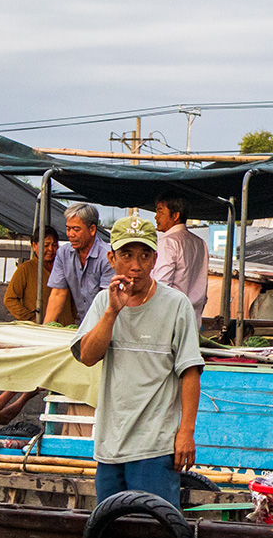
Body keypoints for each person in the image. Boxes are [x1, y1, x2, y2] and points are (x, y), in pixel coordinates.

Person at [73, 215, 205, 508]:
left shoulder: (176, 304)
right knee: (111, 531)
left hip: (155, 447)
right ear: (111, 258)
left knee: (156, 531)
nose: (136, 265)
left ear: (155, 259)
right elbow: (87, 356)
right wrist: (112, 312)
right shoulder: (102, 304)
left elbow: (190, 371)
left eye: (145, 255)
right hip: (110, 445)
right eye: (127, 255)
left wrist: (186, 432)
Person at [43, 203, 113, 324]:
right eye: (68, 229)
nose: (70, 234)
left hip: (108, 324)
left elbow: (107, 300)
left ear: (92, 230)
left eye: (76, 229)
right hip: (83, 322)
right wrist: (45, 329)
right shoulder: (63, 254)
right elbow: (58, 294)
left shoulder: (108, 256)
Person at [153, 193, 209, 328]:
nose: (156, 217)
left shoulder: (168, 241)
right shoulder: (200, 243)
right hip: (193, 318)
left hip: (170, 319)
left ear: (175, 216)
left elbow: (161, 284)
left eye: (160, 212)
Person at [3, 226, 77, 325]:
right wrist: (31, 318)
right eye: (46, 245)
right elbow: (10, 299)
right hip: (38, 328)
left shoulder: (65, 267)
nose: (51, 249)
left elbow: (74, 299)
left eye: (54, 245)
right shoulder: (26, 269)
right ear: (34, 246)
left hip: (65, 327)